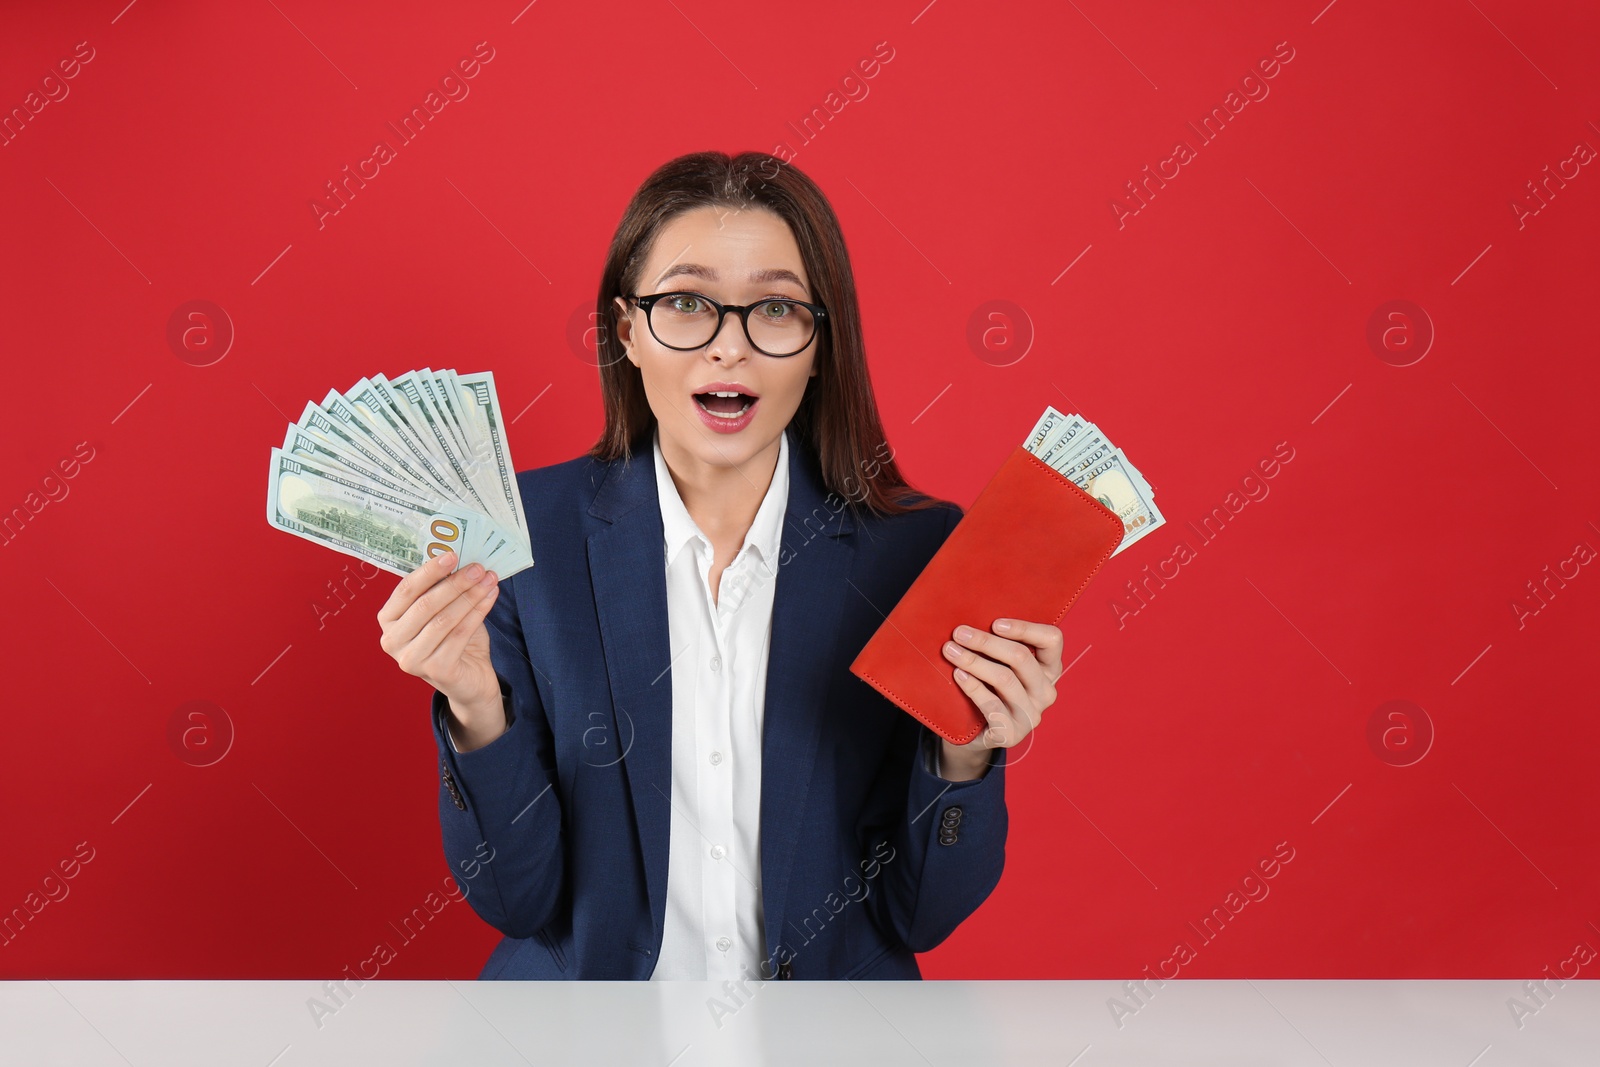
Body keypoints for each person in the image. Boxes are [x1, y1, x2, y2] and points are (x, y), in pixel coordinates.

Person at [376, 151, 1065, 981]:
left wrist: (970, 752)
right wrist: (476, 707)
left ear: (819, 344)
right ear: (627, 331)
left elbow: (919, 915)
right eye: (688, 303)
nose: (728, 347)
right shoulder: (524, 539)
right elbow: (518, 901)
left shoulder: (916, 552)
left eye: (774, 308)